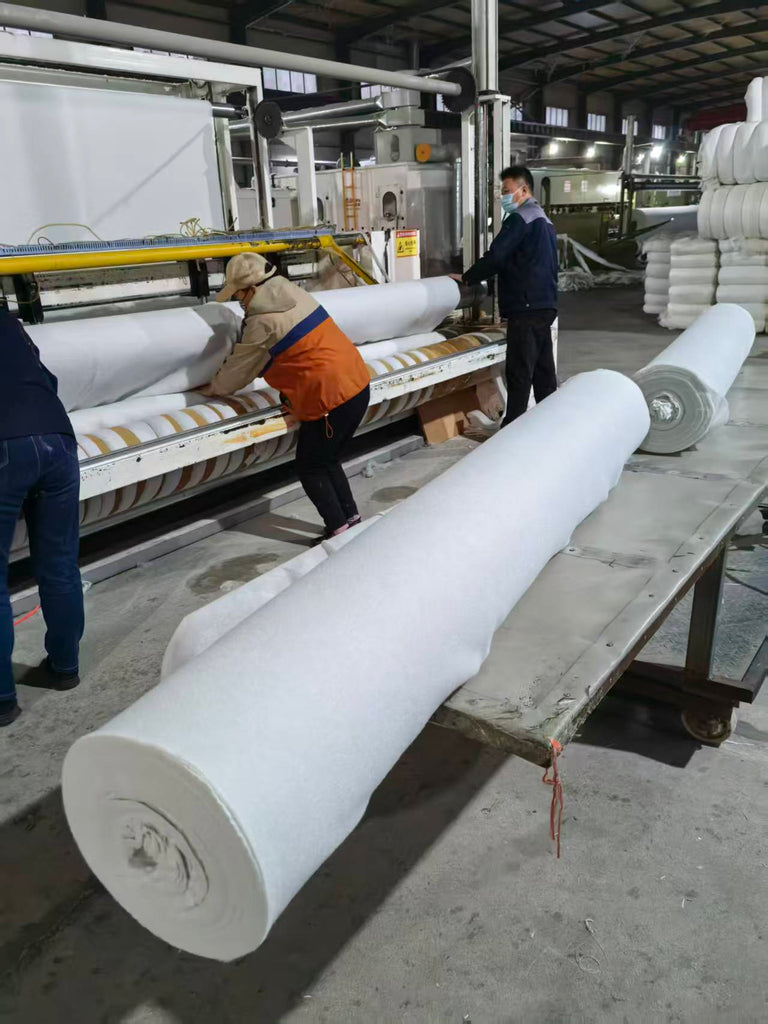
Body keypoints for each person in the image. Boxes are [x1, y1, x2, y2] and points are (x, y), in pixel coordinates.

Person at [202, 252, 370, 540]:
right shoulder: (295, 294)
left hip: (330, 398)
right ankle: (351, 520)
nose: (240, 301)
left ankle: (339, 533)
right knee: (328, 459)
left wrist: (211, 388)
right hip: (357, 384)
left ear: (252, 289)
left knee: (311, 467)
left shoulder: (262, 321)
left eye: (239, 294)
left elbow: (237, 374)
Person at [0, 310, 84, 727]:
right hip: (58, 439)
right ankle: (65, 667)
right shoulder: (8, 323)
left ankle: (3, 699)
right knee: (60, 565)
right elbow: (48, 381)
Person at [459, 164, 558, 426]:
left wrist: (468, 278)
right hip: (544, 304)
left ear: (523, 190)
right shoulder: (544, 220)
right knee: (543, 373)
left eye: (506, 190)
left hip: (525, 307)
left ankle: (512, 432)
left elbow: (497, 256)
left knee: (519, 373)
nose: (502, 196)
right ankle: (552, 427)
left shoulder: (519, 219)